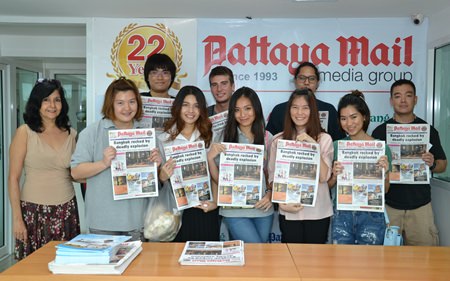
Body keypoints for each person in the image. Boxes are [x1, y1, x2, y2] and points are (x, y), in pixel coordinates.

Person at [71, 77, 162, 241]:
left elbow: (159, 180)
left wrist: (156, 166)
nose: (127, 108)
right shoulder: (92, 133)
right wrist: (103, 163)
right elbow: (76, 173)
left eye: (132, 102)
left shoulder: (147, 134)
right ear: (110, 104)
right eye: (120, 103)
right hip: (102, 225)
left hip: (138, 224)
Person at [8, 79, 80, 260]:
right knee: (34, 268)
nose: (52, 105)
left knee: (65, 267)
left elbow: (76, 173)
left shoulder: (72, 134)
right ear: (37, 103)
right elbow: (13, 178)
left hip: (67, 210)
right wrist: (17, 219)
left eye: (57, 100)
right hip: (33, 212)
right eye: (46, 100)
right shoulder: (25, 132)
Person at [372, 79, 447, 246]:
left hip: (421, 206)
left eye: (408, 95)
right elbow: (373, 171)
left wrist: (432, 163)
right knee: (387, 262)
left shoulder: (428, 130)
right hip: (389, 206)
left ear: (416, 99)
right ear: (391, 101)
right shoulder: (380, 132)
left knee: (425, 261)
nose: (403, 100)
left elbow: (443, 165)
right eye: (397, 96)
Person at [208, 87, 274, 243]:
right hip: (233, 209)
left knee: (259, 255)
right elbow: (220, 180)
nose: (243, 115)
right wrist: (210, 159)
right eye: (237, 110)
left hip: (262, 208)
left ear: (256, 109)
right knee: (256, 249)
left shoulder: (267, 137)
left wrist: (270, 195)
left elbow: (274, 174)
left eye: (247, 109)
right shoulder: (224, 136)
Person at [268, 89, 334, 243]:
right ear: (289, 110)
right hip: (289, 210)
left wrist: (314, 147)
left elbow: (324, 177)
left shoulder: (324, 139)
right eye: (295, 107)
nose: (300, 112)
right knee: (290, 260)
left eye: (305, 107)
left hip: (318, 212)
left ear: (313, 111)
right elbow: (272, 177)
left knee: (316, 262)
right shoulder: (279, 140)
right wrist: (281, 203)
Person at [328, 90, 391, 245]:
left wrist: (385, 172)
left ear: (364, 116)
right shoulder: (336, 146)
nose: (349, 123)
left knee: (371, 263)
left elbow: (386, 189)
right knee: (341, 262)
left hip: (372, 214)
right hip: (342, 212)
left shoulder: (381, 147)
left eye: (353, 117)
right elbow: (328, 186)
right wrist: (335, 176)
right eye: (343, 118)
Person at [158, 85, 220, 242]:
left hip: (204, 207)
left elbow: (216, 174)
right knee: (176, 261)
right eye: (185, 105)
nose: (190, 111)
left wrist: (215, 202)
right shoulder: (164, 139)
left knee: (206, 259)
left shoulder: (211, 137)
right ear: (178, 107)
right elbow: (159, 180)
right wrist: (162, 176)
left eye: (196, 106)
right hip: (175, 210)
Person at [266, 61, 344, 141]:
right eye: (302, 78)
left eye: (312, 79)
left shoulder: (329, 109)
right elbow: (268, 141)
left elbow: (338, 143)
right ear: (295, 81)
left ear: (317, 83)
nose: (306, 82)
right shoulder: (279, 110)